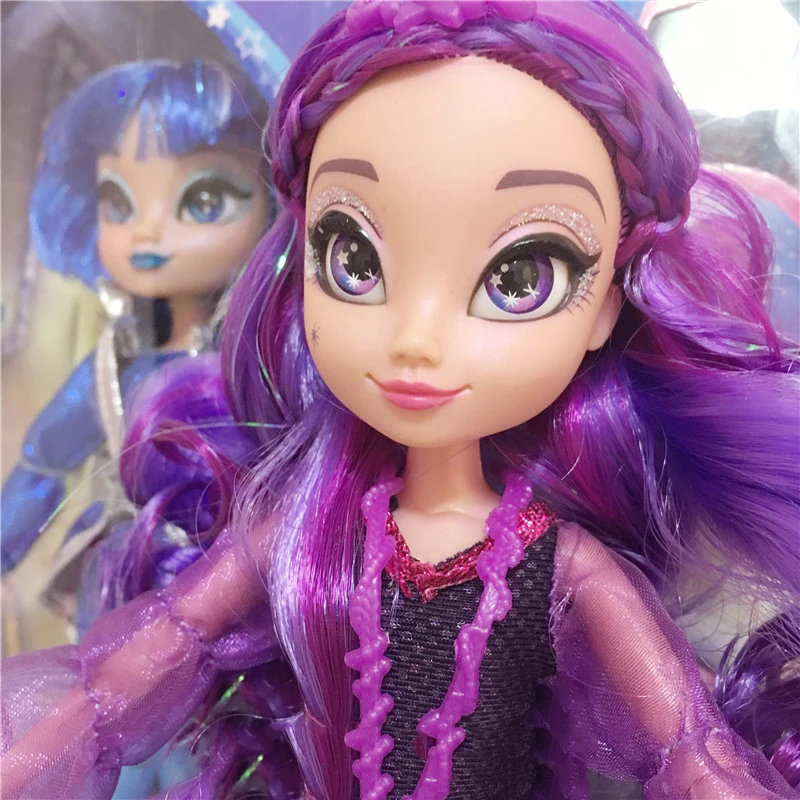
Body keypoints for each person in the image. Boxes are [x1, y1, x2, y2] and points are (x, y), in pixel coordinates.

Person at [2, 3, 798, 798]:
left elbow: (686, 753)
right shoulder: (307, 540)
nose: (416, 339)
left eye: (520, 276)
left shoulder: (562, 567)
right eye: (353, 258)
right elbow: (134, 675)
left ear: (603, 311)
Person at [0, 60, 270, 616]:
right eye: (119, 203)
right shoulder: (116, 360)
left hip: (228, 589)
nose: (146, 231)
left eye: (203, 200)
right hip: (120, 577)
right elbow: (44, 462)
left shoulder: (258, 361)